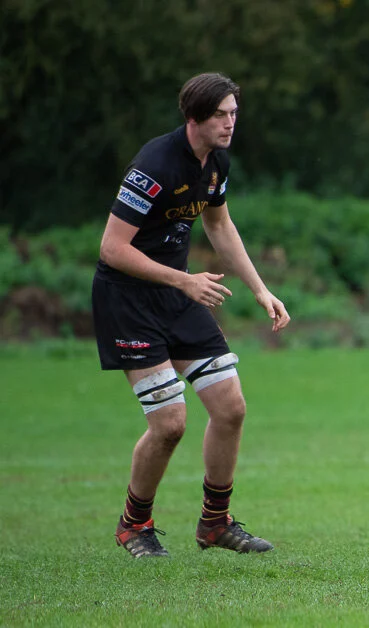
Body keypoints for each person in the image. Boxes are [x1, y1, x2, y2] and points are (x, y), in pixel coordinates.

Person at [95, 72, 291, 558]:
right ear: (194, 117)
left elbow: (219, 223)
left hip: (179, 295)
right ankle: (133, 525)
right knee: (170, 424)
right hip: (129, 302)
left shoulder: (216, 162)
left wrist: (260, 289)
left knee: (231, 408)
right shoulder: (155, 163)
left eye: (233, 114)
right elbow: (112, 249)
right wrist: (184, 280)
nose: (230, 124)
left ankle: (215, 523)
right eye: (221, 115)